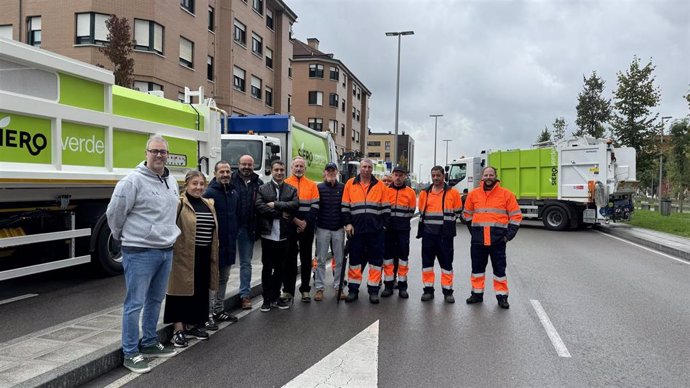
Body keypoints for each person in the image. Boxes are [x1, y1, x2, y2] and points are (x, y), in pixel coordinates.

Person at [106, 135, 179, 374]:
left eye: (163, 152)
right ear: (146, 152)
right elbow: (114, 214)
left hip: (165, 250)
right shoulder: (132, 182)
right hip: (139, 251)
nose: (159, 155)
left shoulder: (171, 181)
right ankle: (130, 352)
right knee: (134, 303)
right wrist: (124, 237)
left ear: (168, 155)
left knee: (155, 300)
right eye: (154, 151)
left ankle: (149, 343)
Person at [164, 170, 219, 347]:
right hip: (183, 255)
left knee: (199, 290)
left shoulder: (208, 204)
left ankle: (194, 325)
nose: (198, 187)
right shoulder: (180, 203)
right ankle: (178, 330)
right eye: (194, 183)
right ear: (186, 185)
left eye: (202, 184)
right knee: (178, 292)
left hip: (204, 255)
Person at [463, 166, 522, 309]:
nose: (488, 177)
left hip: (498, 241)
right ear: (482, 177)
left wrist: (508, 236)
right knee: (477, 269)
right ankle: (477, 295)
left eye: (491, 175)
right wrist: (474, 232)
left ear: (495, 176)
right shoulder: (473, 194)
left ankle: (502, 297)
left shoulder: (506, 194)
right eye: (486, 175)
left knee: (499, 270)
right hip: (478, 241)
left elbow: (516, 216)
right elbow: (466, 215)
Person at [342, 158, 390, 304]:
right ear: (360, 168)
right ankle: (353, 290)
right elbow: (345, 207)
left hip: (375, 231)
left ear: (372, 169)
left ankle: (373, 291)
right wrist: (348, 224)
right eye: (364, 167)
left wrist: (383, 226)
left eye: (369, 167)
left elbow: (386, 209)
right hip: (356, 231)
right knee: (355, 261)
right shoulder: (350, 184)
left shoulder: (380, 185)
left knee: (375, 262)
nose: (367, 169)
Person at [255, 160, 299, 312]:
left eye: (281, 170)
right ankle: (266, 299)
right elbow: (259, 207)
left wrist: (275, 204)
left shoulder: (291, 189)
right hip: (268, 236)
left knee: (280, 269)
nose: (279, 172)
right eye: (276, 170)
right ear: (271, 171)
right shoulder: (263, 188)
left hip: (284, 236)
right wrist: (280, 213)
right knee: (267, 268)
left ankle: (275, 296)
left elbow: (294, 205)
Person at [417, 166, 463, 303]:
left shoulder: (453, 193)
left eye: (438, 175)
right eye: (433, 175)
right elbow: (421, 212)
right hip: (428, 235)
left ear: (443, 176)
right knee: (427, 265)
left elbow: (458, 211)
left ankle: (448, 292)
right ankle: (428, 290)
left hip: (445, 236)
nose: (435, 178)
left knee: (447, 265)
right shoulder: (425, 193)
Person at [202, 161, 239, 329]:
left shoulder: (233, 192)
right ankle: (208, 314)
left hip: (229, 243)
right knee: (212, 280)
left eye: (228, 171)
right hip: (215, 245)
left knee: (224, 278)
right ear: (215, 173)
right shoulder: (209, 194)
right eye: (222, 171)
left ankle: (219, 309)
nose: (225, 174)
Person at [284, 156, 320, 303]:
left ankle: (305, 290)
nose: (298, 168)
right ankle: (287, 291)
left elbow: (315, 206)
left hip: (307, 225)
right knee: (289, 259)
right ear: (292, 168)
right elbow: (284, 206)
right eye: (296, 166)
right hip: (290, 225)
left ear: (305, 168)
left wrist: (305, 222)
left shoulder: (312, 185)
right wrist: (296, 221)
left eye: (301, 166)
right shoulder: (285, 183)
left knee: (306, 259)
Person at [231, 155, 262, 310]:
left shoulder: (258, 182)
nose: (247, 167)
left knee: (245, 263)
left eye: (249, 164)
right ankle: (217, 300)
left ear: (253, 166)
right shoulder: (229, 180)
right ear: (238, 164)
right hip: (230, 227)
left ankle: (245, 295)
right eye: (244, 164)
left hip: (248, 228)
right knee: (223, 265)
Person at [381, 166, 416, 299]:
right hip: (388, 230)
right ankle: (388, 286)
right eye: (396, 174)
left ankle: (402, 287)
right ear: (392, 175)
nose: (398, 177)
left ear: (405, 176)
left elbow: (412, 211)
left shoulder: (410, 192)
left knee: (403, 259)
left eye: (401, 175)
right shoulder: (385, 191)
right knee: (388, 259)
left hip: (403, 230)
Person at [314, 162, 347, 301]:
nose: (331, 173)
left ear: (337, 172)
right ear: (324, 172)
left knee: (339, 260)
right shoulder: (319, 188)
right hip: (322, 229)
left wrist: (347, 223)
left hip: (338, 229)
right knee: (320, 260)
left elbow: (346, 207)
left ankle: (338, 287)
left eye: (333, 171)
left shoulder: (343, 187)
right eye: (328, 171)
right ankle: (319, 288)